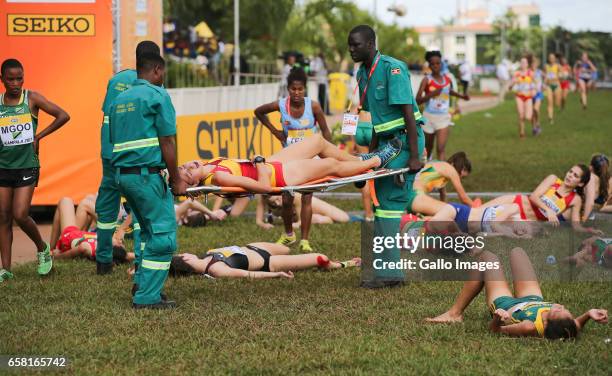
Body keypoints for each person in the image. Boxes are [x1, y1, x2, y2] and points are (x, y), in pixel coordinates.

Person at [348, 24, 425, 288]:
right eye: (349, 44)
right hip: (385, 144)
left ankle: (390, 275)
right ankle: (387, 271)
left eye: (356, 44)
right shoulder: (362, 73)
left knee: (390, 206)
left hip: (404, 141)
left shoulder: (393, 68)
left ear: (370, 44)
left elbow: (409, 116)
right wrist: (367, 162)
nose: (351, 49)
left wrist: (415, 156)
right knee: (381, 205)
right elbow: (374, 123)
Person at [109, 52, 187, 309]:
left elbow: (113, 139)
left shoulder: (119, 99)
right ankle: (147, 297)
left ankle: (143, 285)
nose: (162, 78)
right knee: (163, 237)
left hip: (122, 176)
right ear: (155, 70)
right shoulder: (157, 95)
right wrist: (176, 179)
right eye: (162, 73)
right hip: (146, 177)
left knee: (147, 231)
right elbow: (167, 140)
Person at [426, 247, 608, 340]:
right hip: (533, 299)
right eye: (565, 309)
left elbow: (495, 330)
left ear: (546, 322)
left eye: (558, 311)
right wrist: (588, 314)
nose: (560, 306)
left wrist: (497, 318)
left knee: (487, 258)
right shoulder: (566, 325)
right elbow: (574, 326)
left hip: (506, 305)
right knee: (517, 252)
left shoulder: (529, 327)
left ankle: (454, 313)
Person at [0, 58, 70, 282]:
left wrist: (39, 136)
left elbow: (63, 115)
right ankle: (6, 270)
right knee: (3, 216)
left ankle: (42, 248)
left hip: (27, 165)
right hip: (3, 166)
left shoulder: (31, 98)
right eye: (10, 79)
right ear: (1, 79)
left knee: (20, 214)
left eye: (19, 78)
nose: (15, 83)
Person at [95, 41, 160, 276]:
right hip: (136, 158)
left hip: (109, 154)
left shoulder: (116, 81)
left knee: (106, 210)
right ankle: (141, 263)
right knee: (142, 211)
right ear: (156, 64)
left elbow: (107, 118)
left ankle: (103, 261)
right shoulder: (151, 86)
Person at [255, 67, 332, 252]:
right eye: (293, 89)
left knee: (307, 197)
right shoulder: (281, 105)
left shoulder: (313, 106)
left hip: (309, 160)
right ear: (288, 89)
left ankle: (305, 241)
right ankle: (289, 234)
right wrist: (275, 131)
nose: (297, 93)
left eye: (300, 89)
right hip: (289, 160)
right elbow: (258, 111)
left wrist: (328, 152)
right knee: (287, 199)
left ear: (305, 89)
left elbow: (326, 131)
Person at [180, 133, 401, 192]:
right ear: (193, 184)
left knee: (318, 142)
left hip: (272, 163)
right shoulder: (218, 177)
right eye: (188, 174)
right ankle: (375, 160)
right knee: (331, 165)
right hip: (280, 176)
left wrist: (261, 162)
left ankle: (356, 162)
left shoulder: (212, 163)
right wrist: (258, 161)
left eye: (184, 166)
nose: (189, 167)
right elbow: (265, 188)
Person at [482, 165, 601, 234]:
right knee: (477, 212)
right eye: (570, 172)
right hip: (515, 202)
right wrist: (548, 210)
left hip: (522, 218)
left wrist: (589, 230)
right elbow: (534, 196)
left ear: (580, 183)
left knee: (486, 227)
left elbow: (576, 226)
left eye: (575, 175)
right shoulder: (553, 179)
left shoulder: (575, 199)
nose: (570, 175)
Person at [169, 242, 360, 279]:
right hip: (270, 263)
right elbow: (248, 274)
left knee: (287, 245)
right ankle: (341, 264)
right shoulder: (216, 269)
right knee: (321, 259)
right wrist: (276, 274)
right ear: (185, 259)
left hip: (256, 247)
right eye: (183, 254)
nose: (186, 252)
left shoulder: (208, 254)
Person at [416, 51, 469, 161]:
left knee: (440, 148)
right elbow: (418, 100)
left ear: (441, 64)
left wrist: (463, 96)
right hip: (428, 118)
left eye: (438, 63)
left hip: (443, 118)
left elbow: (449, 91)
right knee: (427, 149)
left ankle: (441, 175)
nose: (435, 66)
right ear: (429, 65)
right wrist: (432, 94)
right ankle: (425, 171)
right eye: (432, 64)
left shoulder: (447, 79)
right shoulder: (426, 80)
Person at [49, 197, 133, 264]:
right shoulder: (118, 252)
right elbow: (130, 255)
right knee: (85, 205)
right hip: (82, 234)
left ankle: (50, 250)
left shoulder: (90, 249)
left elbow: (82, 248)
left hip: (70, 235)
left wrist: (56, 256)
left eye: (119, 244)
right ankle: (51, 249)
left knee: (65, 201)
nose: (120, 242)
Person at [407, 152, 475, 216]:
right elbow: (463, 198)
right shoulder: (450, 169)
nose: (459, 178)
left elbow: (443, 194)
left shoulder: (440, 166)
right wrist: (477, 209)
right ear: (462, 167)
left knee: (443, 216)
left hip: (410, 196)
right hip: (416, 196)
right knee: (451, 211)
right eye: (461, 175)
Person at [255, 193, 355, 230]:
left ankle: (321, 218)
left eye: (278, 199)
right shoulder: (262, 196)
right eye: (274, 202)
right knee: (316, 219)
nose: (278, 203)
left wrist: (296, 225)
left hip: (312, 205)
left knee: (343, 219)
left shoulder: (294, 196)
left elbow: (300, 222)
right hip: (301, 215)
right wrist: (264, 225)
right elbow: (258, 221)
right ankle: (319, 218)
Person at [509, 57, 535, 138]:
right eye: (522, 62)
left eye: (525, 63)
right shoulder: (516, 74)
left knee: (528, 116)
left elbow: (535, 84)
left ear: (527, 64)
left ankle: (534, 124)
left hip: (528, 96)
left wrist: (534, 90)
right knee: (521, 115)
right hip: (519, 96)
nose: (523, 64)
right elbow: (510, 87)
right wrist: (512, 83)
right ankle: (522, 133)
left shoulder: (531, 73)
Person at [583, 154, 612, 221]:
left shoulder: (591, 177)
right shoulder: (610, 180)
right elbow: (607, 198)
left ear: (591, 167)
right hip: (601, 205)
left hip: (589, 209)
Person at [544, 53, 562, 125]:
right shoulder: (546, 66)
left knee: (557, 103)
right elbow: (545, 75)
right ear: (548, 59)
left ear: (555, 59)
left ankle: (558, 105)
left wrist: (558, 76)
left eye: (552, 57)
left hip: (556, 85)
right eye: (550, 57)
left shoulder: (558, 66)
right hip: (549, 86)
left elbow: (562, 74)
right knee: (549, 102)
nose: (551, 59)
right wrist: (545, 81)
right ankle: (550, 118)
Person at [530, 57, 544, 136]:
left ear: (537, 64)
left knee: (536, 109)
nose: (533, 65)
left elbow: (546, 78)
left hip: (538, 93)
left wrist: (544, 85)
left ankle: (538, 122)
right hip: (530, 94)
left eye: (535, 63)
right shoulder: (528, 72)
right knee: (532, 113)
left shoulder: (540, 72)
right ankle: (534, 128)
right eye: (532, 63)